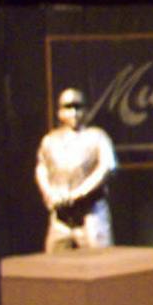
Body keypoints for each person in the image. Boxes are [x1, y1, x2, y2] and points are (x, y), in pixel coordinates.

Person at [35, 87, 117, 250]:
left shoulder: (97, 136)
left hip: (91, 214)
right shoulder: (50, 140)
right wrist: (49, 194)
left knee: (100, 264)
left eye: (78, 107)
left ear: (86, 111)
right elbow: (41, 168)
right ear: (59, 112)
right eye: (68, 107)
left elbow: (107, 167)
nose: (73, 112)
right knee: (53, 267)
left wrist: (77, 194)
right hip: (61, 218)